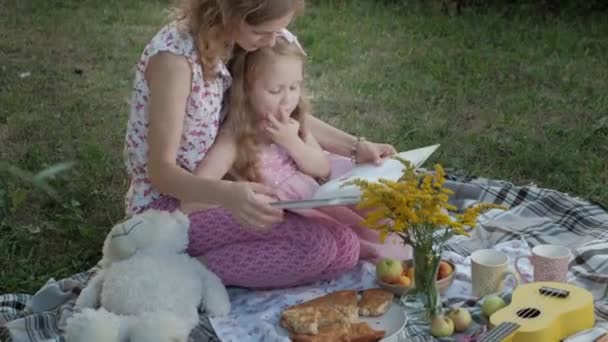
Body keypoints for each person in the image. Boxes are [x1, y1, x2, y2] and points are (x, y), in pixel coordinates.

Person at [124, 0, 398, 288]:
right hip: (176, 210)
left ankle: (227, 265)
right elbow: (162, 172)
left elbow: (279, 115)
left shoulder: (251, 40)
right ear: (231, 13)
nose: (275, 40)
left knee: (345, 248)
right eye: (264, 31)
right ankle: (183, 272)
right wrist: (229, 195)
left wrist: (356, 146)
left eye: (280, 29)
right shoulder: (176, 61)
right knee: (317, 246)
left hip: (239, 186)